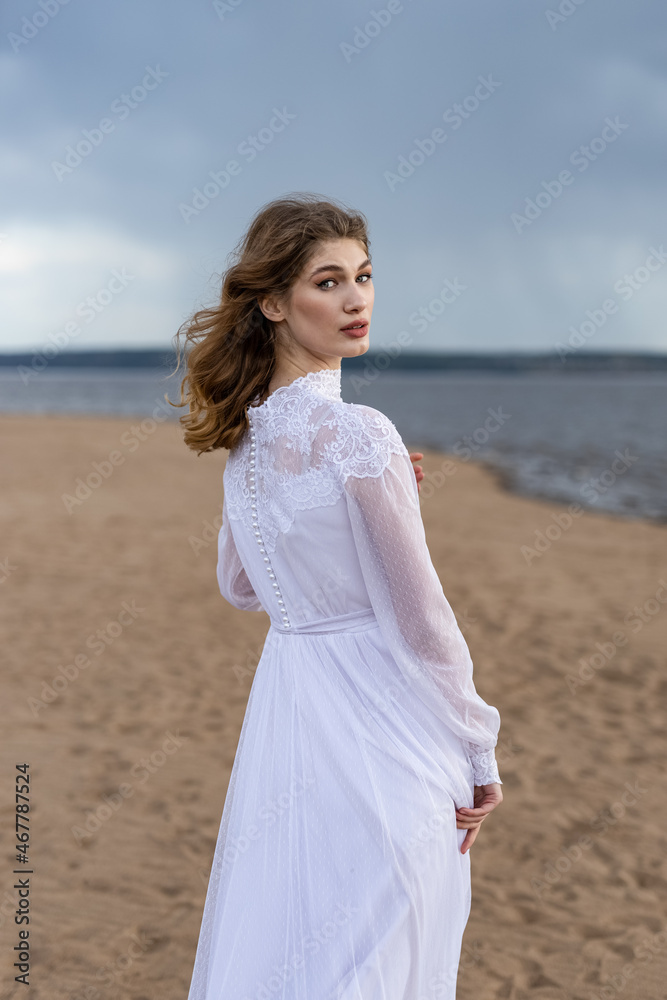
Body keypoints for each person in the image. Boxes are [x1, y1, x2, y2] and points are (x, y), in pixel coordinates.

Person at [174, 193, 503, 1000]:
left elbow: (243, 585)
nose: (355, 300)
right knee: (381, 949)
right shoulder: (360, 434)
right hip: (381, 713)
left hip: (293, 708)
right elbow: (421, 618)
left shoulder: (247, 444)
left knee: (301, 938)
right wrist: (478, 745)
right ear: (274, 303)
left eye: (362, 276)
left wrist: (345, 509)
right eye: (327, 282)